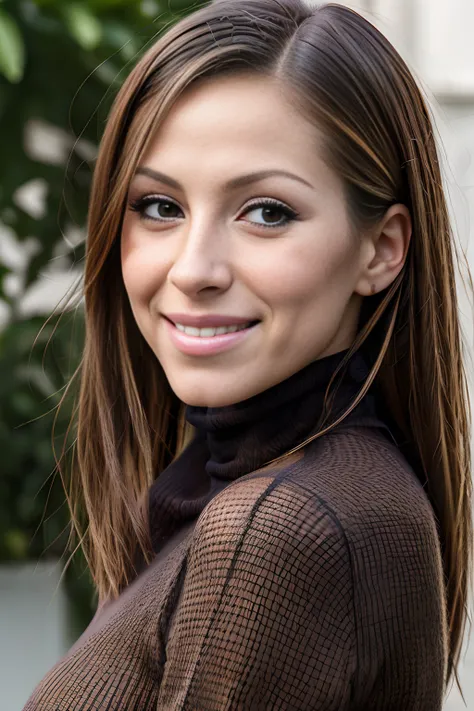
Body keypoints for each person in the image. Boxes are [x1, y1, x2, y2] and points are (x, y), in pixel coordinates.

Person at [24, 0, 472, 709]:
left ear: (382, 249)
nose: (194, 268)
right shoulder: (304, 492)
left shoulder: (280, 531)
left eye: (267, 212)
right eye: (159, 207)